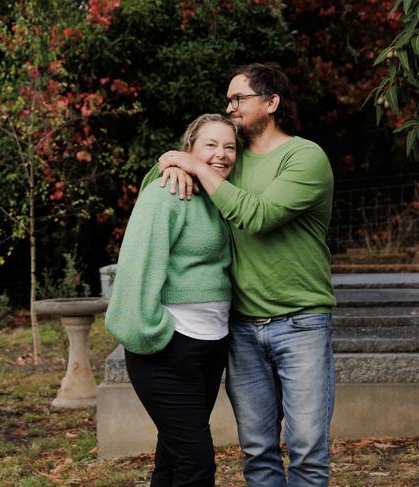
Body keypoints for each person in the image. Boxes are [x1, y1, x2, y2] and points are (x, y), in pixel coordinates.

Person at [154, 62, 336, 486]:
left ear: (271, 103)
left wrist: (194, 167)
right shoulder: (229, 162)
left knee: (307, 449)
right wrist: (173, 163)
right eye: (228, 100)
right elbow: (191, 165)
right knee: (257, 451)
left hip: (302, 322)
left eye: (240, 99)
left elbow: (257, 215)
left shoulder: (305, 157)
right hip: (241, 328)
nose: (231, 107)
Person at [105, 114, 239, 487]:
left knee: (173, 459)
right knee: (197, 464)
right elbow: (138, 264)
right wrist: (149, 332)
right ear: (189, 151)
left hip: (210, 349)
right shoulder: (167, 192)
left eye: (229, 146)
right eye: (210, 145)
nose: (221, 154)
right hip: (167, 351)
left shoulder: (222, 197)